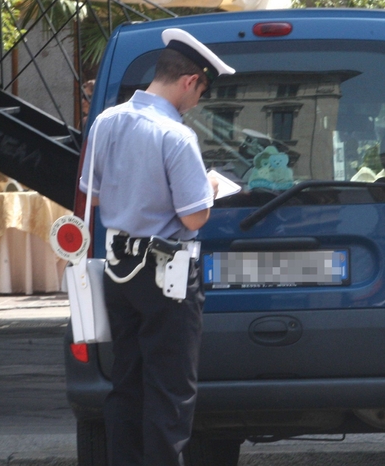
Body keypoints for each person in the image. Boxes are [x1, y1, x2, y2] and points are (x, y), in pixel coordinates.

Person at [79, 28, 235, 466]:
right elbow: (193, 217)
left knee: (126, 382)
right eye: (201, 90)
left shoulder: (106, 120)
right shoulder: (177, 136)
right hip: (167, 271)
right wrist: (207, 186)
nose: (198, 101)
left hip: (119, 267)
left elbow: (91, 196)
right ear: (190, 81)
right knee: (170, 393)